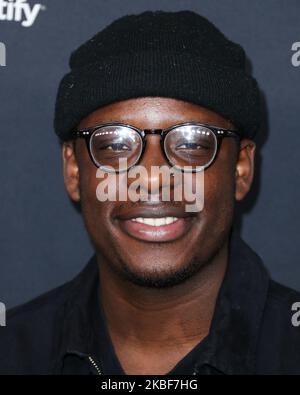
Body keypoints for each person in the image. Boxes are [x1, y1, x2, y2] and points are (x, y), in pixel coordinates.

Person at [1, 10, 300, 375]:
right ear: (74, 170)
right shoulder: (13, 353)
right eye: (114, 144)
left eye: (191, 142)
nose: (154, 177)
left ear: (241, 169)